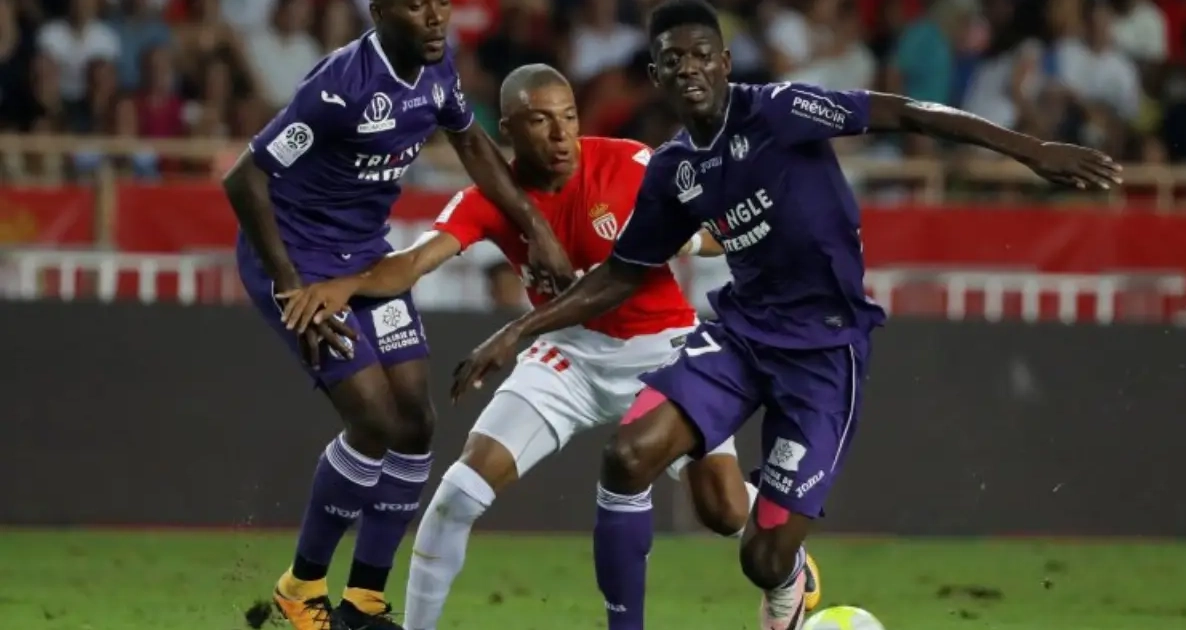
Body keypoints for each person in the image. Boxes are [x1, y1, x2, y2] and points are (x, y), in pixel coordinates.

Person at [450, 1, 1123, 630]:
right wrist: (518, 330)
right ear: (655, 75)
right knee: (627, 456)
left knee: (762, 557)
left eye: (701, 54)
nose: (688, 68)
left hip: (824, 352)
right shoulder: (675, 170)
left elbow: (909, 113)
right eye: (672, 59)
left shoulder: (779, 110)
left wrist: (1033, 151)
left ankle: (789, 585)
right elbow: (623, 273)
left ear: (724, 62)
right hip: (741, 337)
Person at [275, 63, 823, 630]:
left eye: (569, 117)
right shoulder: (490, 199)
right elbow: (413, 262)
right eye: (540, 121)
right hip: (568, 355)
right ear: (508, 129)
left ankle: (790, 559)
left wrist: (687, 237)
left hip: (664, 348)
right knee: (456, 497)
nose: (561, 136)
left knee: (724, 510)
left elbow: (714, 230)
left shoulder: (629, 164)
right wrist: (345, 285)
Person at [221, 1, 576, 629]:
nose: (436, 17)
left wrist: (535, 226)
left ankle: (363, 600)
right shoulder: (339, 87)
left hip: (365, 256)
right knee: (374, 419)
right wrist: (289, 285)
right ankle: (301, 588)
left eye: (441, 2)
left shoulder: (438, 68)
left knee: (415, 421)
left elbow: (472, 142)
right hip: (299, 260)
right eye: (416, 5)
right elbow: (244, 180)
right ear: (380, 11)